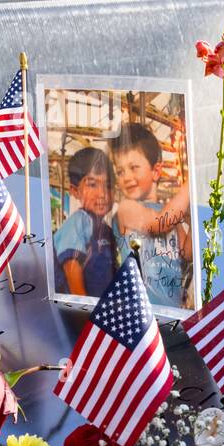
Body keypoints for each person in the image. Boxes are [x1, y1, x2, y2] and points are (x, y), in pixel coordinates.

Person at [110, 123, 191, 308]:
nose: (126, 177)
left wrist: (192, 220)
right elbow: (160, 224)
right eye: (120, 171)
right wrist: (190, 184)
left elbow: (186, 253)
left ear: (156, 172)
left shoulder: (168, 214)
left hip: (171, 309)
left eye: (134, 167)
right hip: (140, 311)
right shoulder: (126, 209)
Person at [53, 147, 119, 299]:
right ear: (75, 191)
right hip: (79, 313)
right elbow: (72, 265)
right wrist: (83, 305)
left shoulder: (106, 230)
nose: (102, 194)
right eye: (92, 184)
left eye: (108, 186)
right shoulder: (79, 221)